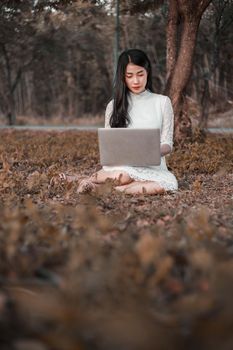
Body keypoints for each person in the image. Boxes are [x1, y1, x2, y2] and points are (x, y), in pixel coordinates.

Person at [54, 49, 178, 195]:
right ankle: (83, 180)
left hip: (152, 168)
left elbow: (167, 144)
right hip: (120, 168)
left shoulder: (162, 102)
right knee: (124, 176)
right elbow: (109, 146)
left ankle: (98, 188)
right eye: (129, 76)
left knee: (168, 184)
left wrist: (147, 153)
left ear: (148, 72)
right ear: (122, 77)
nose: (136, 81)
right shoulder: (113, 106)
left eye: (140, 74)